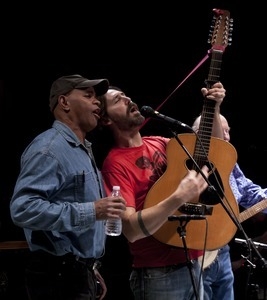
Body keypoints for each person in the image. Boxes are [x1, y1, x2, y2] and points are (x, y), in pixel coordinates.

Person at [97, 82, 226, 300]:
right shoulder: (115, 164)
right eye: (118, 99)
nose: (128, 99)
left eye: (126, 94)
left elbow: (211, 152)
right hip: (159, 275)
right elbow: (131, 230)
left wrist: (213, 108)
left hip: (193, 264)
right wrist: (179, 197)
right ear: (106, 119)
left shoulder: (158, 142)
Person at [9, 74, 127, 300]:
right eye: (88, 95)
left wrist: (88, 269)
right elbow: (23, 209)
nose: (97, 102)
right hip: (58, 277)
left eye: (97, 97)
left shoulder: (81, 149)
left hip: (76, 274)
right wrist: (93, 210)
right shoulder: (49, 149)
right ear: (64, 103)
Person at [192, 113, 267, 300]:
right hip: (195, 251)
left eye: (228, 131)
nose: (226, 137)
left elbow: (250, 193)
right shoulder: (187, 163)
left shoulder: (230, 164)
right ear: (201, 134)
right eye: (222, 131)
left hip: (222, 251)